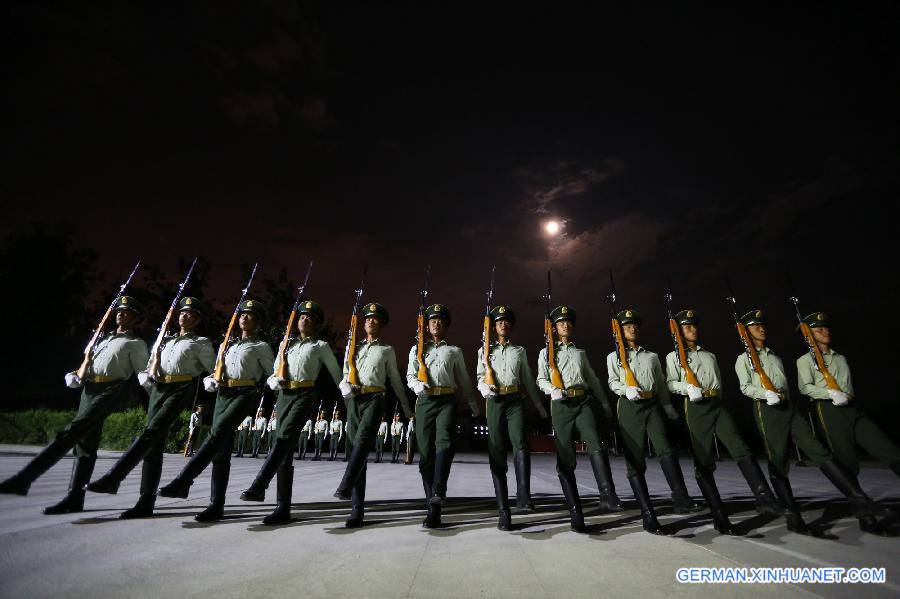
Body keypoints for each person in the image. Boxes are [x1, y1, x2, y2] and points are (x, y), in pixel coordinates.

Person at [736, 309, 889, 535]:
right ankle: (794, 518)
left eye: (762, 325)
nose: (761, 328)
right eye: (755, 326)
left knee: (818, 451)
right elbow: (745, 387)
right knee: (778, 461)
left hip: (789, 408)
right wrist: (763, 393)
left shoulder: (775, 356)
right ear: (746, 332)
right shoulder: (743, 359)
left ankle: (858, 498)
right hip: (767, 410)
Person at [0, 296, 149, 515]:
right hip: (89, 391)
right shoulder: (102, 339)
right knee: (85, 448)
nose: (121, 313)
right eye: (119, 310)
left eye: (127, 312)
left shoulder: (136, 344)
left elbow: (143, 375)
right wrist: (76, 375)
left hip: (110, 391)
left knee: (72, 432)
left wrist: (155, 401)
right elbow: (86, 367)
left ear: (136, 318)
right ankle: (74, 498)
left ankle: (24, 478)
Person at [86, 296, 215, 520]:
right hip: (159, 389)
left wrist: (212, 379)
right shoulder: (166, 340)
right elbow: (150, 365)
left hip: (180, 388)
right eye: (181, 313)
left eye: (189, 313)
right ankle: (145, 502)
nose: (183, 316)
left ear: (197, 319)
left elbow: (214, 368)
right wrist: (146, 375)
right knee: (153, 446)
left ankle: (114, 477)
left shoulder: (201, 343)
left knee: (151, 432)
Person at [664, 308, 782, 535]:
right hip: (696, 408)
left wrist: (717, 399)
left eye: (694, 326)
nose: (692, 330)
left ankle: (764, 497)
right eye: (687, 327)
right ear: (678, 332)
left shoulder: (710, 356)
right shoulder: (673, 357)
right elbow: (670, 383)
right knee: (704, 460)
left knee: (740, 448)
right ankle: (719, 516)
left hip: (716, 405)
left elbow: (719, 383)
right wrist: (686, 388)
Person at [157, 299, 274, 522]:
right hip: (223, 394)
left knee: (217, 432)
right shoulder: (226, 345)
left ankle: (184, 481)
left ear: (258, 321)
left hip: (245, 393)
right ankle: (216, 506)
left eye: (250, 315)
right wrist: (211, 379)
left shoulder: (261, 346)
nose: (244, 317)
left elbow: (272, 374)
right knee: (221, 451)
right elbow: (216, 369)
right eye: (242, 315)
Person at [239, 300, 342, 524]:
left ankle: (259, 485)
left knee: (284, 437)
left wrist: (350, 395)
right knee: (283, 449)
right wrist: (274, 380)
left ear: (316, 324)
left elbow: (337, 375)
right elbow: (275, 370)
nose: (304, 320)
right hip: (284, 396)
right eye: (302, 317)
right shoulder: (287, 344)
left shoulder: (320, 346)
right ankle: (282, 508)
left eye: (309, 318)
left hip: (305, 394)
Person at [536, 304, 617, 533]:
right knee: (566, 457)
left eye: (568, 322)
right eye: (561, 322)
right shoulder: (546, 353)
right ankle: (575, 511)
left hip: (583, 401)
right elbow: (540, 379)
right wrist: (550, 389)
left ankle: (607, 494)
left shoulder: (579, 353)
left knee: (594, 441)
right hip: (560, 405)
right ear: (553, 328)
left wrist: (603, 402)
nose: (566, 325)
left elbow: (592, 379)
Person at [332, 302, 413, 527]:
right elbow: (346, 374)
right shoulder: (353, 348)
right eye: (368, 318)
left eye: (375, 319)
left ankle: (345, 485)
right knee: (355, 453)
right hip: (354, 400)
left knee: (363, 440)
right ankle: (356, 511)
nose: (370, 321)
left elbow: (396, 381)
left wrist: (406, 409)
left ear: (381, 324)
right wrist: (344, 386)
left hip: (376, 398)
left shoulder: (386, 350)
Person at [795, 311, 900, 478]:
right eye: (818, 330)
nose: (825, 332)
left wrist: (846, 396)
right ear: (808, 336)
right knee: (846, 460)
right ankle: (857, 500)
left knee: (887, 448)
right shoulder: (805, 360)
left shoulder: (840, 358)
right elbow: (805, 387)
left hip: (853, 409)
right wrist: (830, 393)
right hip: (830, 411)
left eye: (826, 328)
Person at [406, 303, 480, 528]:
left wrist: (472, 403)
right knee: (426, 454)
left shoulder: (454, 351)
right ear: (427, 326)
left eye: (440, 321)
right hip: (425, 401)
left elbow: (464, 379)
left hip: (447, 400)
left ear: (445, 326)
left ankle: (439, 489)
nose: (436, 324)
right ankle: (433, 507)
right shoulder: (416, 350)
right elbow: (410, 375)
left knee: (445, 443)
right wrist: (417, 385)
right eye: (432, 321)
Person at [476, 305, 548, 530]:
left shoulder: (519, 351)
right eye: (499, 322)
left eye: (507, 322)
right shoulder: (484, 350)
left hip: (515, 399)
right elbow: (479, 375)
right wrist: (483, 388)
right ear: (494, 327)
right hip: (495, 401)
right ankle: (503, 510)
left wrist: (538, 404)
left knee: (521, 443)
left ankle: (523, 495)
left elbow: (527, 378)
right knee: (496, 449)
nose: (503, 325)